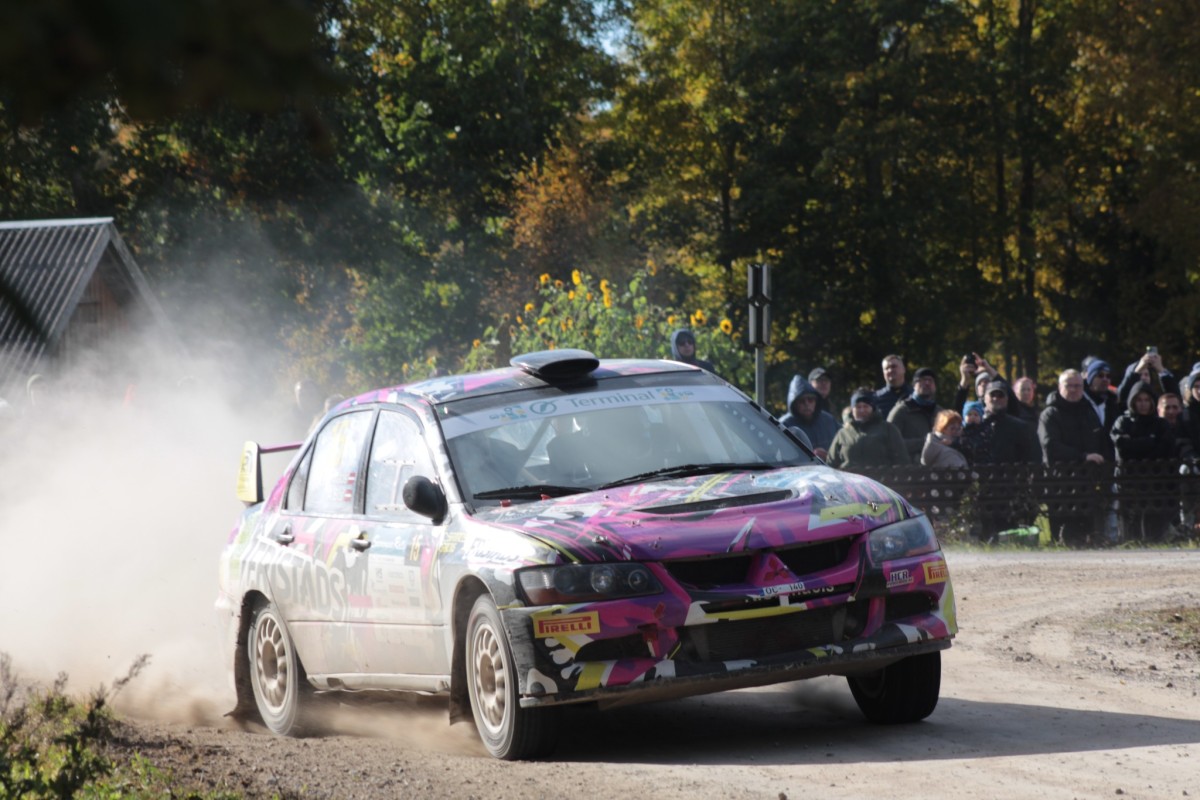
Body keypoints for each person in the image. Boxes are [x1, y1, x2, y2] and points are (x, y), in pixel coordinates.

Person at [1039, 369, 1111, 546]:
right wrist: (1083, 456)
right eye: (1068, 386)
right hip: (1060, 483)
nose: (1073, 390)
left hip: (1088, 482)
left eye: (1077, 386)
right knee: (1064, 539)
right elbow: (1050, 446)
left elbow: (1101, 439)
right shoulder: (1050, 414)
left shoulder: (1088, 411)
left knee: (1089, 537)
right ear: (1059, 387)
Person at [1111, 381, 1174, 542]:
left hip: (1156, 481)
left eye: (1147, 400)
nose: (1143, 404)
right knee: (1131, 524)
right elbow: (1122, 448)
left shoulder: (1161, 424)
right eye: (1139, 400)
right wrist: (1149, 441)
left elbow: (1163, 448)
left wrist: (1136, 443)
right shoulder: (1123, 422)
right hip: (1129, 480)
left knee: (1154, 524)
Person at [826, 387, 910, 470]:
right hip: (850, 478)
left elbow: (902, 460)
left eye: (865, 406)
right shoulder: (843, 433)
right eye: (858, 407)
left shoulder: (888, 429)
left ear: (873, 408)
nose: (862, 410)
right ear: (852, 410)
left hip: (880, 477)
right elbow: (831, 463)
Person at [976, 380, 1041, 464]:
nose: (996, 398)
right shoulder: (976, 426)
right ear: (985, 398)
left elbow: (1032, 456)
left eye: (1000, 395)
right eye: (992, 395)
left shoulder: (1020, 428)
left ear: (1006, 399)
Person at [887, 367, 942, 461]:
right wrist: (924, 442)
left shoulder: (940, 413)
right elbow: (890, 443)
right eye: (922, 380)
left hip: (938, 466)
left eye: (930, 380)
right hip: (908, 467)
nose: (927, 383)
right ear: (914, 385)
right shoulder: (901, 411)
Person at [778, 376, 839, 460]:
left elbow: (842, 446)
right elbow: (780, 456)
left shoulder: (829, 420)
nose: (807, 404)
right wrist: (809, 455)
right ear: (794, 404)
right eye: (801, 401)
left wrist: (829, 456)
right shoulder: (784, 425)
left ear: (816, 401)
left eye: (810, 400)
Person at [1083, 359, 1121, 434]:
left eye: (1108, 376)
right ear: (1090, 379)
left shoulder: (1112, 403)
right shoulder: (1080, 400)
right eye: (1100, 375)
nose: (1105, 379)